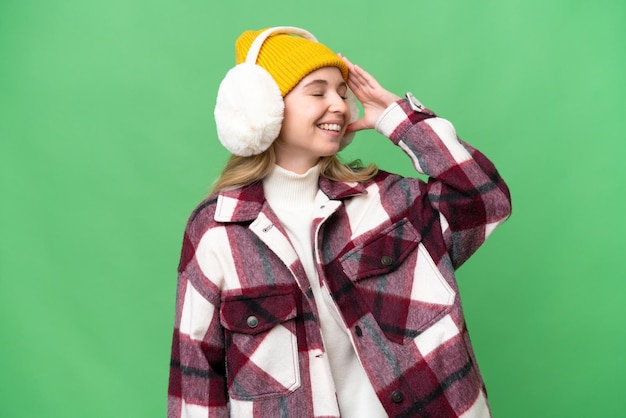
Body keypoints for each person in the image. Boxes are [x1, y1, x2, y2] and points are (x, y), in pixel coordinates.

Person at [168, 26, 512, 418]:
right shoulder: (216, 231)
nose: (341, 106)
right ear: (264, 110)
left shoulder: (387, 200)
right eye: (318, 92)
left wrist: (399, 120)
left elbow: (485, 198)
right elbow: (196, 381)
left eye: (342, 93)